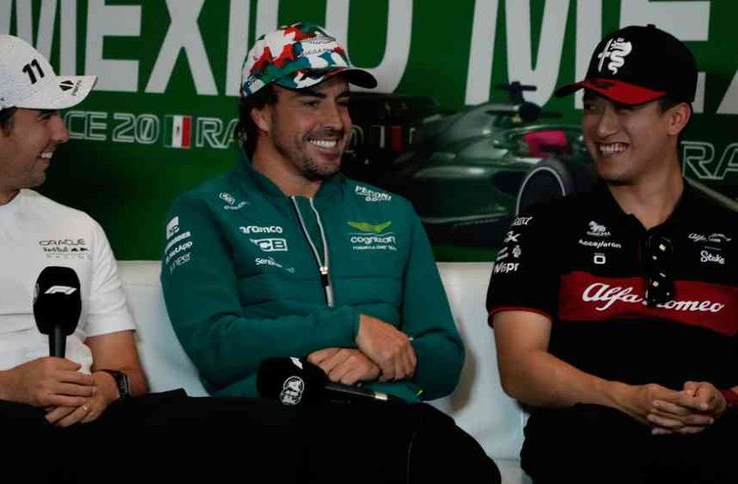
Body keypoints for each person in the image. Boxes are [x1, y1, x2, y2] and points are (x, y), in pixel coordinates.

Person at [0, 35, 304, 484]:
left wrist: (104, 387)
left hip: (90, 424)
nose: (61, 133)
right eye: (45, 117)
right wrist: (7, 386)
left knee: (262, 427)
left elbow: (127, 374)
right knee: (15, 436)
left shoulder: (77, 227)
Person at [162, 22, 499, 483]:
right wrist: (351, 326)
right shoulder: (205, 210)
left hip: (385, 421)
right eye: (311, 102)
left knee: (464, 466)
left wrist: (372, 361)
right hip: (268, 424)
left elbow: (444, 358)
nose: (336, 122)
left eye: (342, 102)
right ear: (261, 113)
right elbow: (215, 346)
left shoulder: (393, 213)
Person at [486, 24, 737, 484]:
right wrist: (625, 399)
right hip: (585, 458)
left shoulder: (732, 230)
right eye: (592, 106)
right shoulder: (543, 225)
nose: (601, 127)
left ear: (676, 118)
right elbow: (519, 370)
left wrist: (724, 399)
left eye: (625, 107)